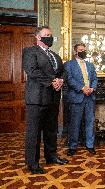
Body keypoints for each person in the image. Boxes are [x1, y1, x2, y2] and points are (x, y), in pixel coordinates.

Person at [23, 26, 69, 174]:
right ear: (38, 37)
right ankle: (33, 163)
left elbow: (63, 71)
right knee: (34, 133)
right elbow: (32, 71)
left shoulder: (55, 55)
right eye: (46, 35)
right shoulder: (30, 52)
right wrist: (52, 81)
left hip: (53, 99)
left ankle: (51, 157)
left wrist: (61, 80)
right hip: (36, 99)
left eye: (51, 35)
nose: (49, 37)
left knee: (51, 131)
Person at [64, 43, 97, 156]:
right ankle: (72, 146)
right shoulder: (69, 65)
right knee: (74, 123)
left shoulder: (90, 65)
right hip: (76, 97)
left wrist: (92, 88)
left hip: (90, 97)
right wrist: (82, 88)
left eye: (84, 50)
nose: (83, 51)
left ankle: (90, 145)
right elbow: (69, 79)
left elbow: (95, 78)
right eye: (81, 50)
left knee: (90, 122)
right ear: (75, 52)